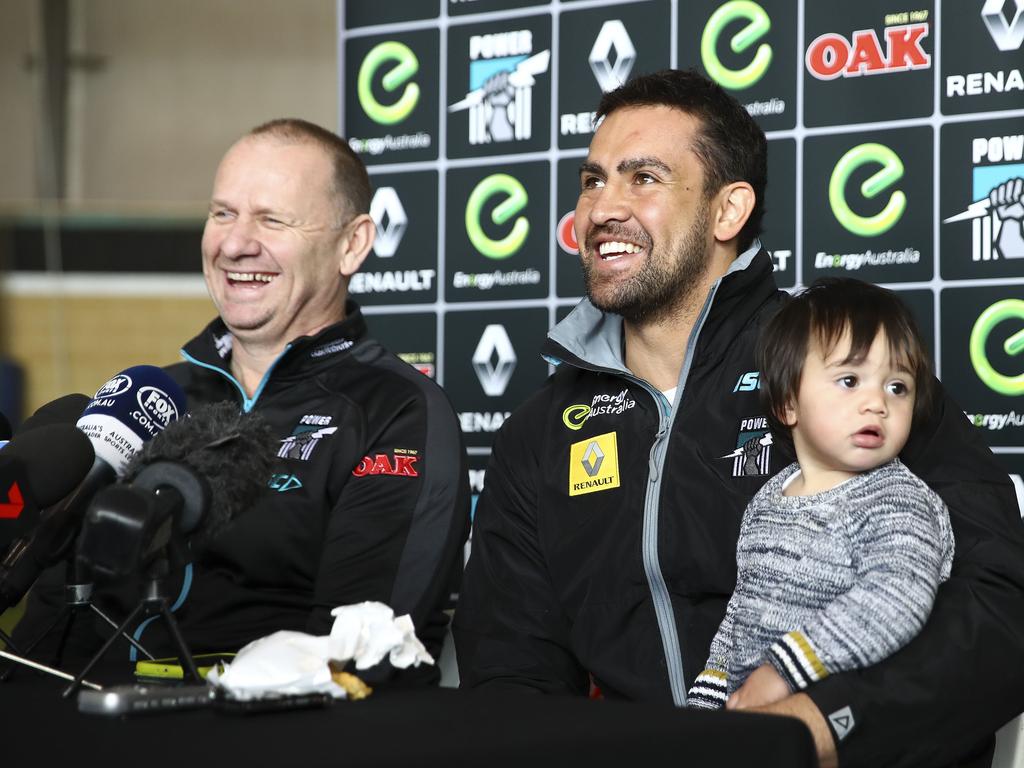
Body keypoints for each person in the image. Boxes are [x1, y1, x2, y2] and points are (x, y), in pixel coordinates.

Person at [453, 69, 1024, 767]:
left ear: (728, 211)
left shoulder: (850, 376)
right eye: (594, 180)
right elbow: (514, 666)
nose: (602, 209)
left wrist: (816, 725)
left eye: (644, 179)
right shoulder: (542, 430)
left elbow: (1001, 608)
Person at [17, 119, 470, 685]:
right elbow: (55, 617)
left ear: (351, 244)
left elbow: (357, 653)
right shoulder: (154, 396)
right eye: (222, 213)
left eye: (271, 219)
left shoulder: (398, 412)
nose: (234, 243)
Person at [687, 278, 953, 711]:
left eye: (897, 387)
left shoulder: (897, 500)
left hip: (839, 722)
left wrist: (783, 672)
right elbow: (741, 615)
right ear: (788, 402)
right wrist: (708, 697)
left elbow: (897, 598)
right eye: (850, 380)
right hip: (748, 722)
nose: (877, 404)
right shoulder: (769, 498)